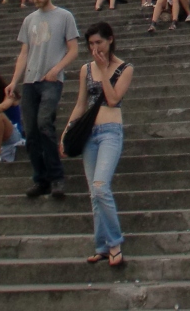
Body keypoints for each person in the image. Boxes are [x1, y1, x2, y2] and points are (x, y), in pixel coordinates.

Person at [62, 21, 133, 268]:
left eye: (99, 42)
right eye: (91, 44)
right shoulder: (85, 69)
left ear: (110, 40)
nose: (95, 48)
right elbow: (81, 103)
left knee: (101, 186)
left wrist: (104, 69)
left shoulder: (124, 68)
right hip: (87, 134)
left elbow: (113, 99)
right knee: (94, 193)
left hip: (110, 131)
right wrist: (67, 131)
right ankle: (102, 246)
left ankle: (115, 243)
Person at [7, 0, 80, 199]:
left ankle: (56, 177)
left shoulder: (64, 16)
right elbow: (24, 54)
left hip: (51, 80)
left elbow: (73, 49)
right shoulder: (29, 20)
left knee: (44, 124)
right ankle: (41, 178)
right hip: (30, 81)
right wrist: (13, 81)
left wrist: (57, 69)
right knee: (30, 131)